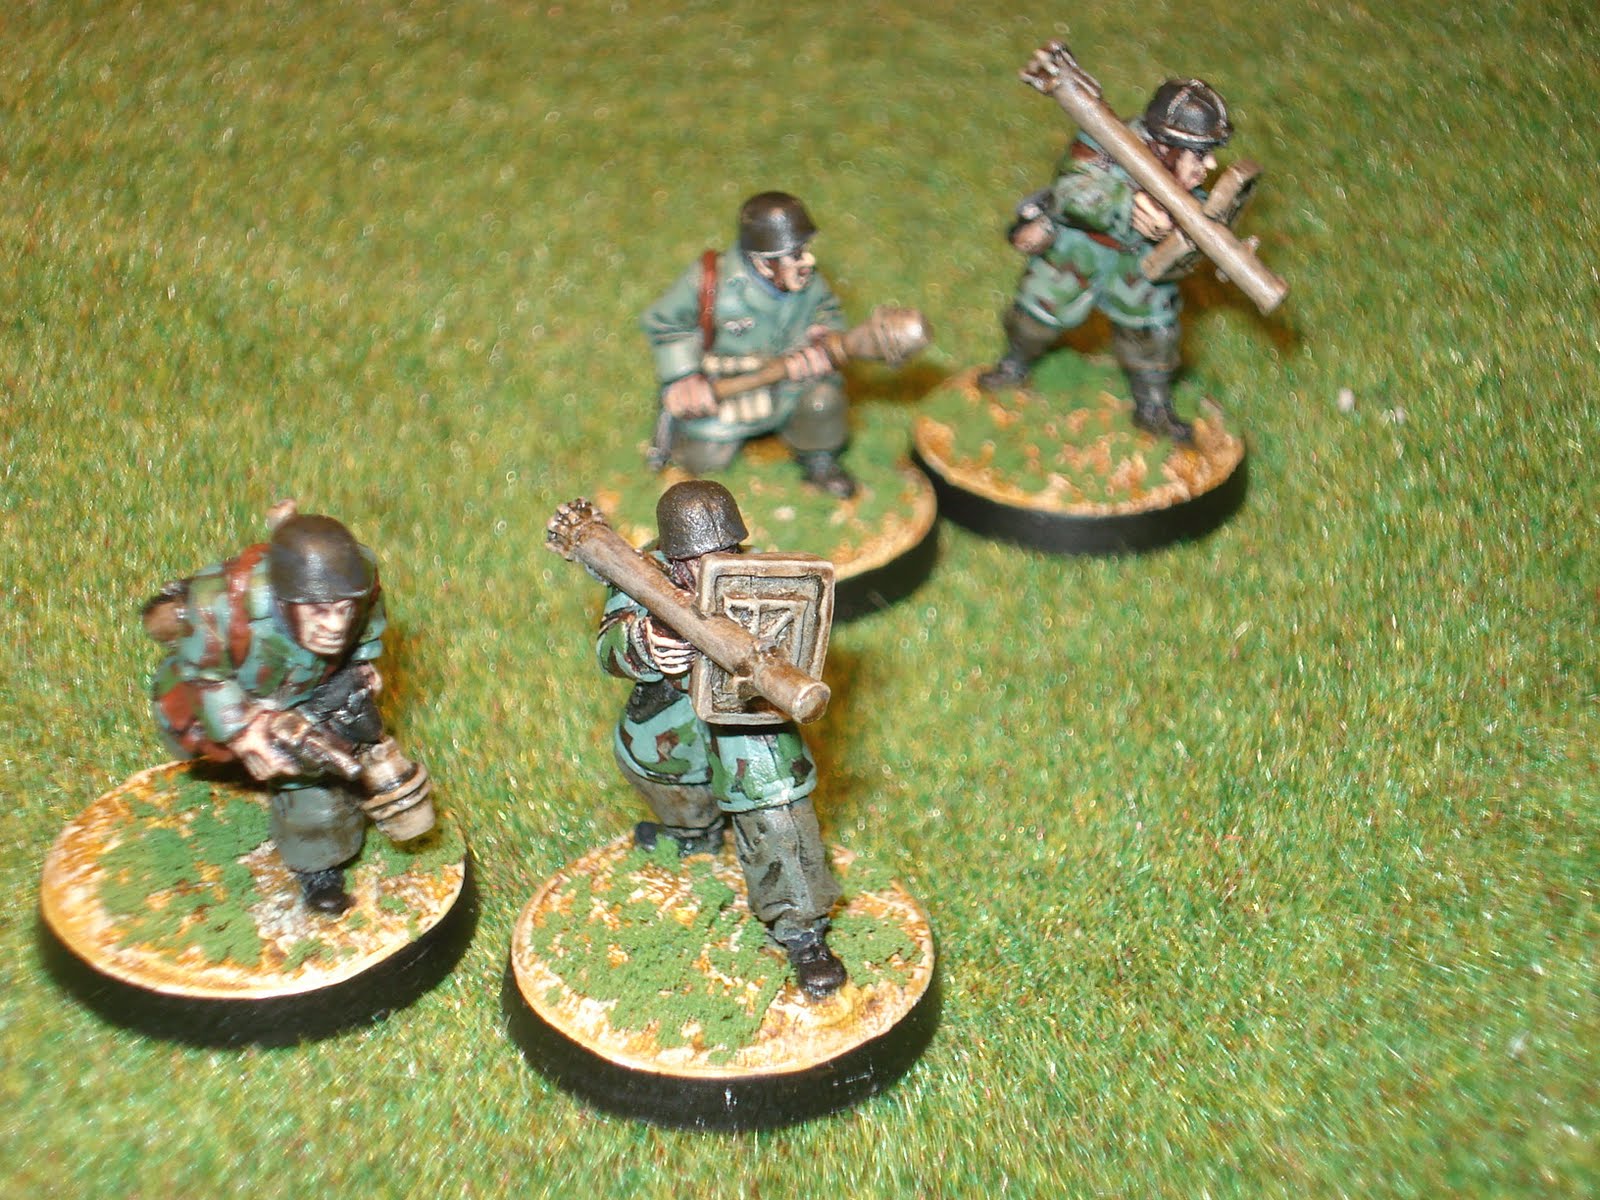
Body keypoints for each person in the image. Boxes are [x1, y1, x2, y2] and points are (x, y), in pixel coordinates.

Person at [596, 480, 848, 998]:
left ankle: (802, 931)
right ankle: (694, 835)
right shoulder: (643, 573)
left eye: (726, 550)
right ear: (673, 555)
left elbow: (801, 627)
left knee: (778, 813)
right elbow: (609, 646)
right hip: (672, 714)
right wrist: (645, 645)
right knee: (659, 773)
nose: (713, 564)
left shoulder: (760, 576)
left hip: (747, 720)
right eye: (695, 559)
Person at [146, 508, 388, 914]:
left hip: (310, 692)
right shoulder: (219, 603)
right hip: (235, 695)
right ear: (285, 599)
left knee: (318, 788)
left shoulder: (359, 579)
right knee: (212, 738)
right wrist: (243, 731)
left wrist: (362, 666)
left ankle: (317, 865)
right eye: (319, 610)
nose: (335, 625)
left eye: (344, 609)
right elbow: (202, 674)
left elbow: (368, 629)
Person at [979, 78, 1233, 444]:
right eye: (1200, 152)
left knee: (1152, 338)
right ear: (1167, 144)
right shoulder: (1106, 139)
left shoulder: (1182, 171)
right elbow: (1069, 191)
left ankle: (1153, 410)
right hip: (1078, 249)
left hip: (1139, 266)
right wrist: (1126, 204)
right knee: (1033, 317)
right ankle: (1013, 366)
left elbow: (1201, 211)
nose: (1210, 163)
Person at [641, 192, 857, 498]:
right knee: (703, 458)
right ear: (764, 262)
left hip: (791, 385)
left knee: (824, 402)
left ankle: (820, 462)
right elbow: (665, 322)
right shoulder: (710, 281)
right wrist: (685, 376)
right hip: (728, 390)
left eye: (805, 250)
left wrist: (823, 340)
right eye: (796, 254)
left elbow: (829, 313)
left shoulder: (811, 284)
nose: (807, 261)